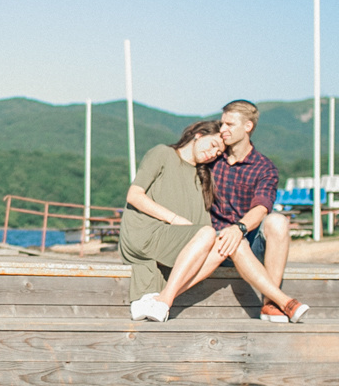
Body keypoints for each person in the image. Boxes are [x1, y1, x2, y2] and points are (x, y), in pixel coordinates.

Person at [121, 119, 309, 323]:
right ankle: (285, 302)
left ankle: (163, 299)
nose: (213, 154)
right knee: (208, 233)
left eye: (218, 153)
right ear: (198, 135)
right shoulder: (163, 153)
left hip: (177, 239)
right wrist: (175, 219)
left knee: (227, 242)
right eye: (212, 146)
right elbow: (134, 195)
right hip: (145, 232)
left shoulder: (203, 176)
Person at [209, 99, 293, 322]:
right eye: (222, 124)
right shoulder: (212, 160)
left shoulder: (264, 167)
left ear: (248, 127)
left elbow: (262, 207)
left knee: (278, 221)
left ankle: (271, 304)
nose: (223, 130)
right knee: (236, 241)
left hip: (247, 240)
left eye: (229, 125)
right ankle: (282, 300)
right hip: (216, 244)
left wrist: (239, 229)